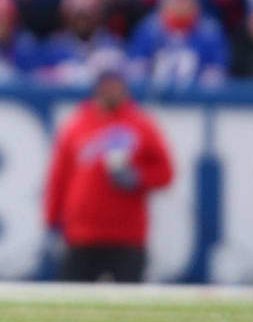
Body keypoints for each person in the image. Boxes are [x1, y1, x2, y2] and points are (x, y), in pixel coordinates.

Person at [44, 65, 173, 283]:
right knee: (74, 307)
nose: (112, 90)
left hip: (126, 235)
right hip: (82, 234)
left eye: (117, 85)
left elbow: (166, 172)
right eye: (107, 84)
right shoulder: (78, 124)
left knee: (129, 309)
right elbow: (59, 177)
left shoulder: (140, 125)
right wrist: (51, 220)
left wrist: (138, 177)